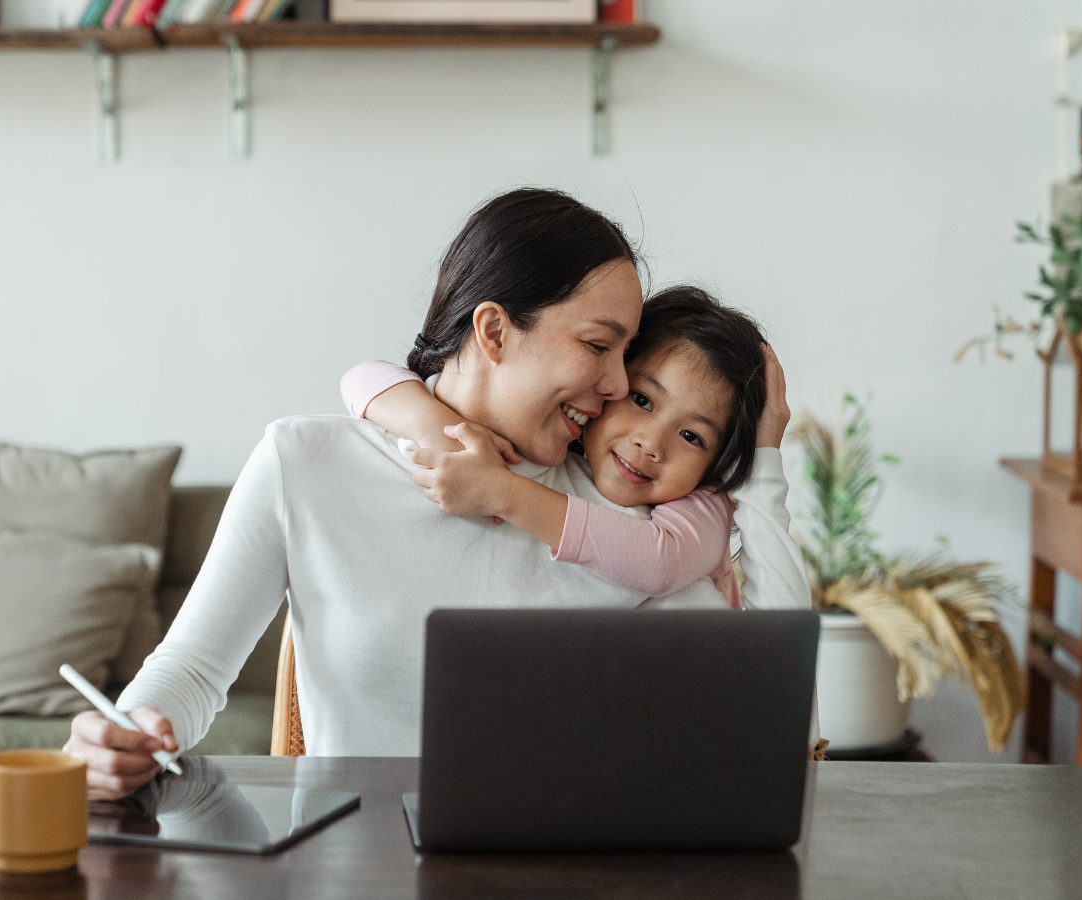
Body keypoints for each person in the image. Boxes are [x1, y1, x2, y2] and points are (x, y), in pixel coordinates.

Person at [64, 188, 811, 800]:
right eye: (597, 346)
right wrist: (125, 729)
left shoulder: (630, 516)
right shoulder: (306, 463)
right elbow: (192, 671)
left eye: (626, 355)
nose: (618, 387)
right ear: (493, 331)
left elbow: (770, 706)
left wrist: (766, 463)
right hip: (354, 875)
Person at [341, 287, 777, 607]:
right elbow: (361, 376)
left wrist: (502, 493)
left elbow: (659, 563)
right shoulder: (561, 444)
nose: (651, 442)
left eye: (691, 437)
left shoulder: (705, 503)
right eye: (641, 400)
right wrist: (438, 428)